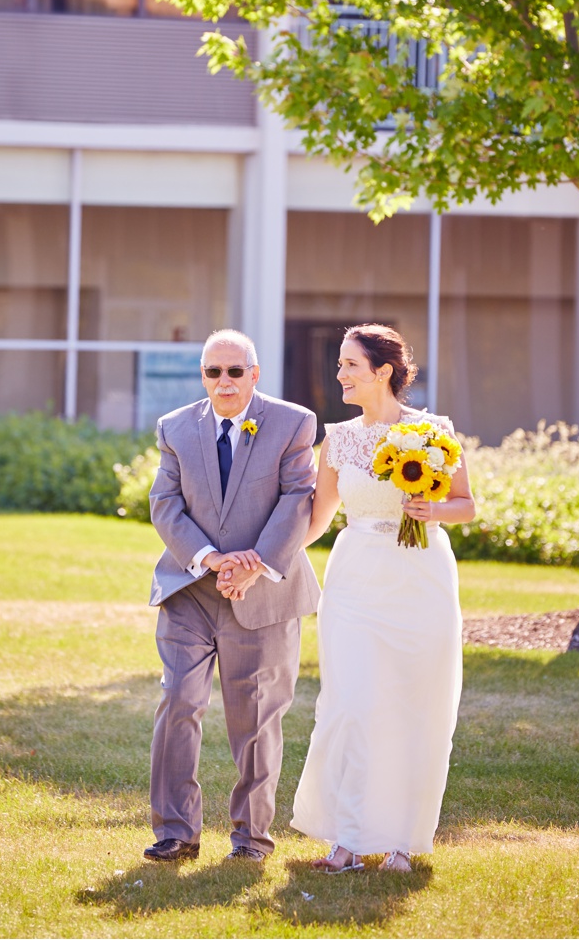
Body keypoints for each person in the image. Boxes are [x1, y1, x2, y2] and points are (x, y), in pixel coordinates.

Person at [291, 323, 475, 874]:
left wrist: (431, 512)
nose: (340, 374)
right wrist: (260, 557)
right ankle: (346, 840)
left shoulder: (433, 431)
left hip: (420, 577)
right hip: (354, 579)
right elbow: (317, 520)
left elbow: (465, 503)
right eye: (341, 364)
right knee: (350, 703)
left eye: (350, 364)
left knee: (415, 704)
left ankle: (403, 842)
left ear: (383, 372)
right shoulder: (339, 439)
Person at [145, 329, 320, 863]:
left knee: (257, 717)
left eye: (234, 372)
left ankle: (250, 838)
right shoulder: (175, 427)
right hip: (190, 590)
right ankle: (176, 831)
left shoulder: (294, 423)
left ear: (255, 374)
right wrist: (211, 560)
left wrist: (254, 565)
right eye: (212, 372)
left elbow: (297, 500)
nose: (223, 382)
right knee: (178, 700)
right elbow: (165, 503)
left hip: (264, 595)